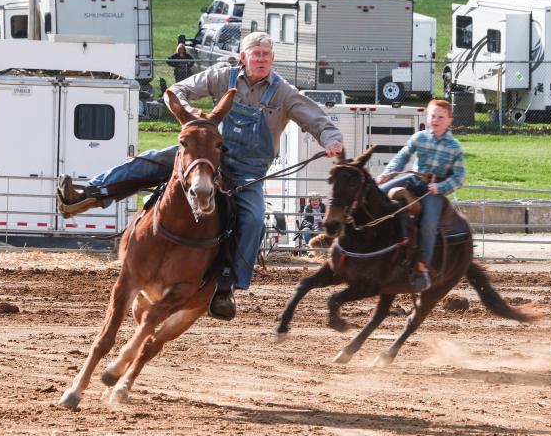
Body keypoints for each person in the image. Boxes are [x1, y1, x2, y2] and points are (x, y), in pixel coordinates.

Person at [56, 31, 344, 320]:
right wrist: (189, 110)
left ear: (272, 59)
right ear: (243, 57)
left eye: (266, 55)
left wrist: (331, 139)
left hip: (246, 172)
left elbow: (315, 118)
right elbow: (177, 91)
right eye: (255, 54)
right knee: (148, 161)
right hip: (204, 153)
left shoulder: (284, 93)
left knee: (254, 219)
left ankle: (226, 285)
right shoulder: (221, 77)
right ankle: (89, 195)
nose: (261, 59)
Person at [376, 99, 465, 292]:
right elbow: (402, 156)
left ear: (449, 120)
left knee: (429, 223)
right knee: (378, 194)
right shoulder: (420, 137)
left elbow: (459, 177)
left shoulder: (454, 146)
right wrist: (387, 173)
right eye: (433, 116)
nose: (436, 120)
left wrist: (440, 187)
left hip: (433, 190)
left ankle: (421, 266)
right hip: (413, 180)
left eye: (441, 117)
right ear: (427, 117)